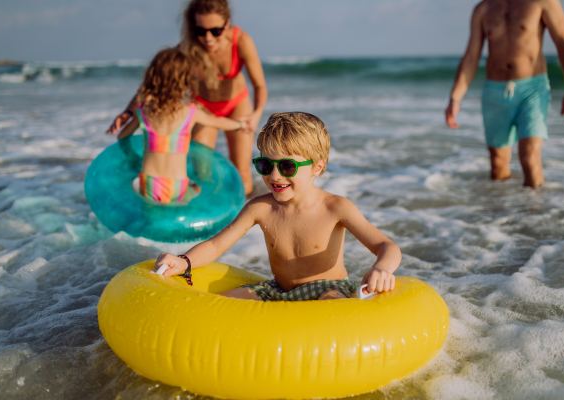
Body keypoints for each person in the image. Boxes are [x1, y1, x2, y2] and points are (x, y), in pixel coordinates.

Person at [154, 112, 402, 301]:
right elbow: (216, 244)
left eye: (286, 167)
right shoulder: (260, 207)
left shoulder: (335, 207)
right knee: (217, 304)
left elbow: (386, 246)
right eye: (265, 165)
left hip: (326, 290)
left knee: (331, 306)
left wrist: (381, 269)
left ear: (318, 167)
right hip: (277, 290)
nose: (274, 176)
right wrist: (184, 261)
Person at [107, 0, 267, 196]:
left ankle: (240, 222)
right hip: (202, 109)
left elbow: (259, 86)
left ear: (227, 23)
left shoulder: (241, 41)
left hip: (236, 105)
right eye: (201, 30)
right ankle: (209, 222)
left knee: (244, 181)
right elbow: (154, 83)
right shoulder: (187, 48)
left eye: (216, 30)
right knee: (202, 175)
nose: (208, 38)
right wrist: (127, 112)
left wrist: (256, 114)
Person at [445, 0, 564, 188]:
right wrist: (455, 98)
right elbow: (471, 57)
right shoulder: (483, 8)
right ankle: (503, 212)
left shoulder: (543, 2)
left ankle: (535, 213)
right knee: (497, 164)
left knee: (529, 157)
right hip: (494, 92)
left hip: (532, 89)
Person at [109, 47, 246, 203]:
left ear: (153, 77)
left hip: (150, 181)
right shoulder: (190, 112)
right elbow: (218, 122)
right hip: (177, 184)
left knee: (154, 222)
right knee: (180, 215)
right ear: (184, 80)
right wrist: (241, 124)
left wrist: (132, 157)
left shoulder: (144, 112)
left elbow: (122, 136)